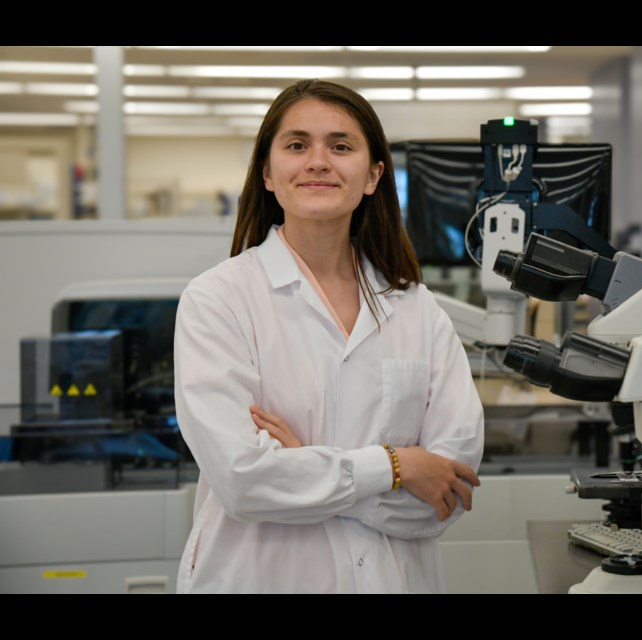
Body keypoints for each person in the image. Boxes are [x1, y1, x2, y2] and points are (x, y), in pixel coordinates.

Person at [173, 79, 484, 593]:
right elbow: (243, 481)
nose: (318, 161)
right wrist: (397, 465)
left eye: (341, 146)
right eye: (297, 145)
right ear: (269, 174)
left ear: (373, 175)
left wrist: (305, 469)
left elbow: (447, 489)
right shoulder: (218, 299)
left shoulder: (416, 307)